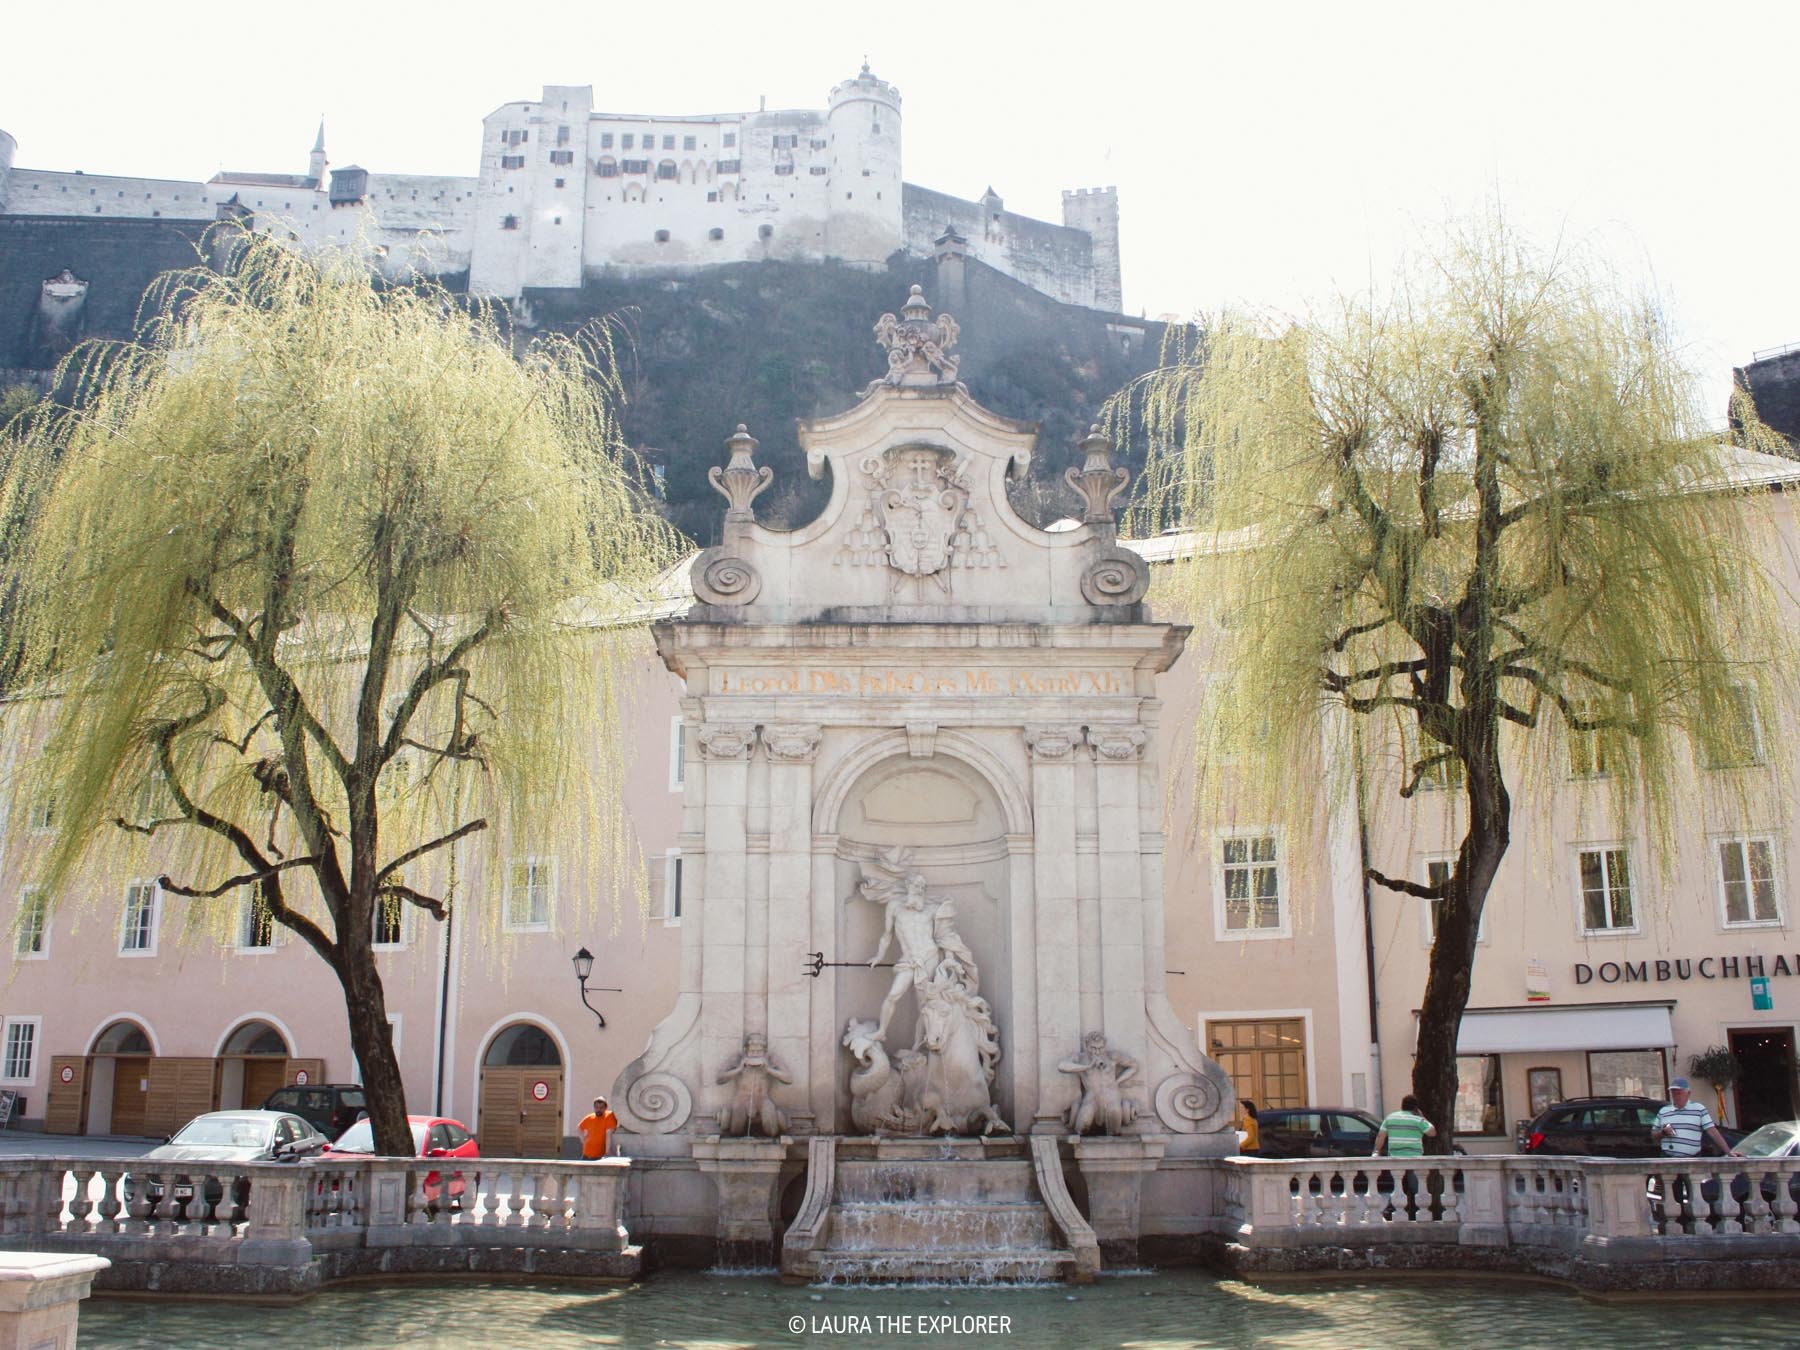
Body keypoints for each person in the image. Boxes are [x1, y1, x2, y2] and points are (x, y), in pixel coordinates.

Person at [1653, 1078, 1740, 1158]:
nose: (1676, 1096)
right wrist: (1663, 1133)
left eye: (1679, 1093)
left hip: (1692, 1159)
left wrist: (1729, 1152)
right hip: (1668, 1159)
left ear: (1688, 1093)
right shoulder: (1663, 1111)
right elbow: (1654, 1135)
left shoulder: (1699, 1109)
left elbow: (1713, 1132)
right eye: (1673, 1093)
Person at [577, 1095, 618, 1160]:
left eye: (601, 1107)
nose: (598, 1109)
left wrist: (607, 1152)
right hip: (586, 1154)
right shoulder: (590, 1117)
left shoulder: (609, 1116)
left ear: (605, 1108)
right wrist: (583, 1140)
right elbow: (579, 1128)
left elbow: (609, 1134)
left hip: (599, 1156)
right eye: (596, 1107)